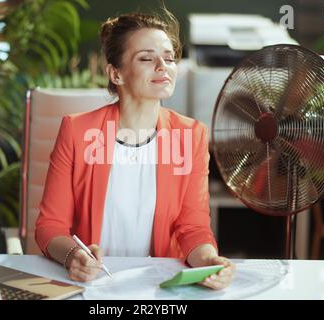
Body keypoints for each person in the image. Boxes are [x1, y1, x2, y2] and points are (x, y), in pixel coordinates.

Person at [35, 8, 235, 290]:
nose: (163, 66)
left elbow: (193, 227)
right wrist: (73, 256)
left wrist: (208, 261)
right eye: (146, 58)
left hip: (158, 287)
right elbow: (50, 226)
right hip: (91, 285)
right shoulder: (77, 132)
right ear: (116, 74)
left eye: (168, 58)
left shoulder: (191, 136)